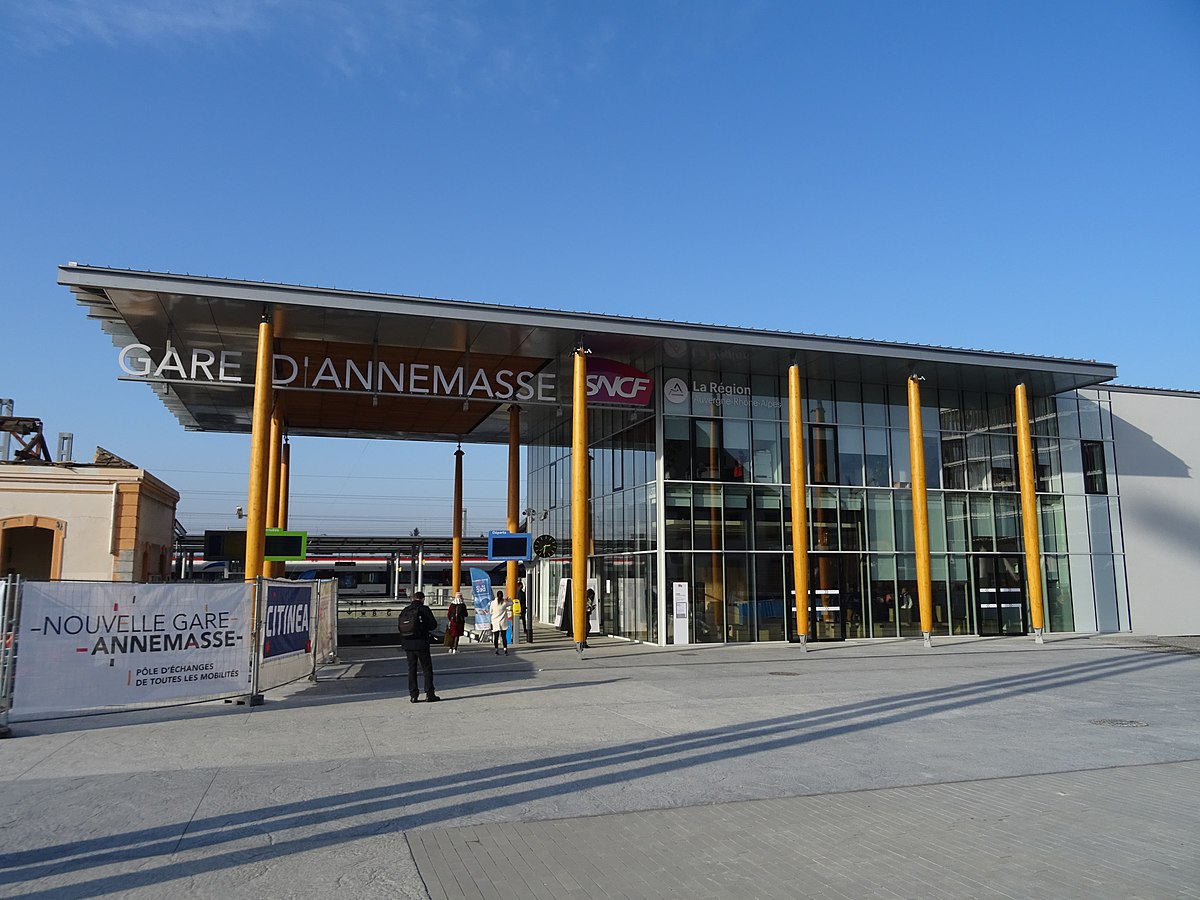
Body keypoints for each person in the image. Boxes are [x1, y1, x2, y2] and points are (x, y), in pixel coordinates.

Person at [399, 591, 440, 703]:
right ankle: (429, 694)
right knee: (426, 668)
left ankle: (413, 695)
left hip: (408, 643)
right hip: (421, 643)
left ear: (413, 599)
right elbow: (433, 625)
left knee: (412, 669)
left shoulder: (405, 610)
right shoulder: (423, 609)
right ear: (422, 599)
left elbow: (400, 627)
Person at [490, 589, 512, 655]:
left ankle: (496, 649)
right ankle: (505, 649)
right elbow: (511, 603)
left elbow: (491, 611)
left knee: (496, 637)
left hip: (495, 622)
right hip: (503, 622)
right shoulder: (504, 603)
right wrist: (508, 599)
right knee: (503, 636)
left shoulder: (493, 603)